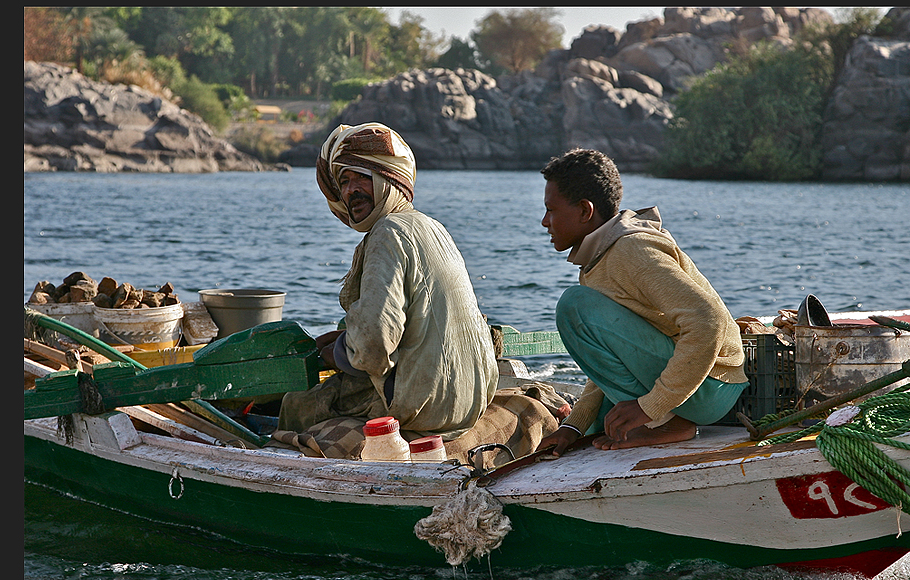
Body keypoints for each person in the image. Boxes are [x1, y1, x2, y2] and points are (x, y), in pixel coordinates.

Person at [276, 122, 498, 457]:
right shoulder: (430, 226)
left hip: (428, 408)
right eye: (345, 182)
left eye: (360, 177)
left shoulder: (388, 232)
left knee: (298, 404)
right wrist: (345, 343)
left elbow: (376, 340)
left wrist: (338, 353)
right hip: (470, 402)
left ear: (388, 178)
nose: (351, 191)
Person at [535, 148, 748, 457]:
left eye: (551, 210)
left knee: (574, 306)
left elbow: (707, 319)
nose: (545, 222)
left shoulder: (630, 250)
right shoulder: (601, 256)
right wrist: (575, 425)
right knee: (600, 420)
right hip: (698, 387)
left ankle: (668, 424)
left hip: (711, 385)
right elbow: (610, 357)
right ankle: (659, 418)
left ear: (584, 211)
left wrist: (650, 408)